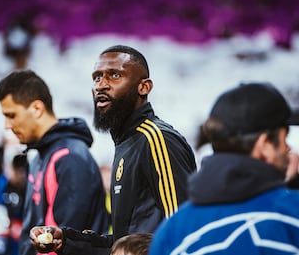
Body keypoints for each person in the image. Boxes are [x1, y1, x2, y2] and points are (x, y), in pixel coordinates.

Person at [30, 45, 196, 254]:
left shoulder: (156, 139)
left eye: (114, 75)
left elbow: (184, 235)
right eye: (97, 77)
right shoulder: (126, 143)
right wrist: (67, 241)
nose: (101, 85)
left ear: (144, 87)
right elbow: (123, 243)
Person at [148, 82, 299, 254]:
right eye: (285, 139)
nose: (288, 148)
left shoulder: (171, 232)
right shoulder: (298, 214)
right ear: (264, 144)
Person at [0, 69, 109, 255]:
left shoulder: (69, 157)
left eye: (11, 115)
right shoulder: (40, 155)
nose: (7, 125)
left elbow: (60, 243)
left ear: (37, 109)